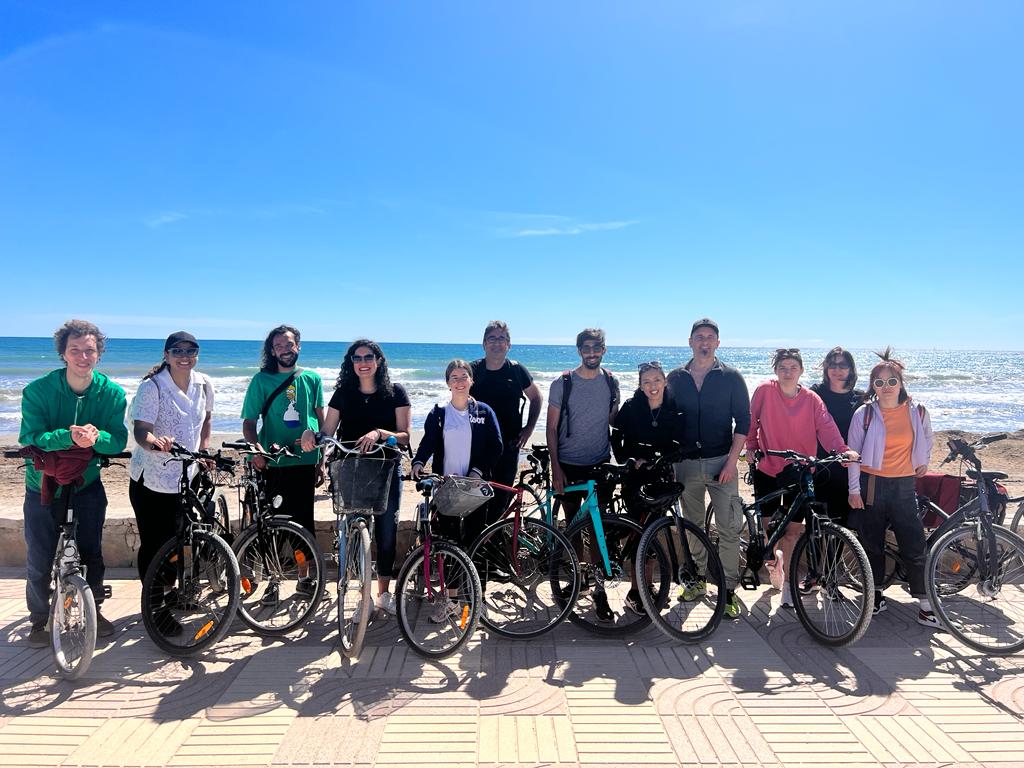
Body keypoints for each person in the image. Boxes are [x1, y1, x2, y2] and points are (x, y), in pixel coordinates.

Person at [19, 320, 128, 646]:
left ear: (99, 354)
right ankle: (39, 620)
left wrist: (97, 438)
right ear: (63, 354)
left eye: (90, 350)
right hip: (42, 485)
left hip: (86, 483)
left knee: (92, 553)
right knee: (39, 558)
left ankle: (95, 608)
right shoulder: (37, 391)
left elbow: (118, 439)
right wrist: (68, 436)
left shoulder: (112, 393)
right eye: (75, 350)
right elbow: (30, 438)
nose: (83, 356)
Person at [300, 339, 410, 618]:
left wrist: (379, 433)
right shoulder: (343, 393)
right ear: (351, 363)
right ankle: (364, 597)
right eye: (357, 358)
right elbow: (327, 431)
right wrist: (312, 435)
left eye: (368, 356)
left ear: (379, 360)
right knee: (356, 534)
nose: (363, 362)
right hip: (351, 470)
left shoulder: (396, 392)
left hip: (386, 469)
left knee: (386, 533)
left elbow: (405, 436)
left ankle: (383, 593)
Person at [745, 348, 854, 609]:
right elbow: (752, 421)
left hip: (801, 471)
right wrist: (750, 446)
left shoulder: (812, 399)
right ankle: (774, 563)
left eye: (793, 367)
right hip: (768, 466)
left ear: (801, 371)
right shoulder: (764, 391)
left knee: (793, 532)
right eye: (783, 367)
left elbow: (826, 428)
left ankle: (787, 589)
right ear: (775, 370)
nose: (788, 372)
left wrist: (842, 451)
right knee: (769, 530)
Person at [847, 348, 938, 627]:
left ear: (900, 382)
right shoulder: (865, 414)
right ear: (872, 385)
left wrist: (922, 461)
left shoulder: (918, 411)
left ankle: (924, 604)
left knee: (914, 543)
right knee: (871, 544)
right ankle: (876, 597)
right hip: (871, 483)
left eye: (891, 381)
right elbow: (852, 454)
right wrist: (854, 490)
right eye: (879, 382)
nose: (885, 387)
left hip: (903, 485)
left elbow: (928, 439)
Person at [666, 318, 750, 620]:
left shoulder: (732, 377)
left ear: (718, 342)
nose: (704, 342)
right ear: (690, 341)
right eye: (699, 337)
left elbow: (744, 422)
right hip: (686, 465)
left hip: (721, 464)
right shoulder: (675, 377)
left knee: (729, 528)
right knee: (692, 526)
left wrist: (731, 462)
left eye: (710, 337)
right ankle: (698, 581)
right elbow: (665, 419)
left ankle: (728, 591)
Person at [410, 359, 502, 622]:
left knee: (475, 544)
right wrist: (418, 461)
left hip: (474, 488)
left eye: (464, 376)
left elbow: (495, 447)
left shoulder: (483, 411)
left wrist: (477, 472)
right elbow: (428, 441)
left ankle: (477, 601)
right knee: (448, 544)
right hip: (447, 489)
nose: (459, 381)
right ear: (448, 382)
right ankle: (450, 601)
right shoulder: (439, 413)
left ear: (471, 380)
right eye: (454, 377)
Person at [129, 332, 215, 588]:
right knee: (155, 544)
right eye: (178, 351)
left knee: (180, 538)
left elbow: (206, 420)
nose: (184, 357)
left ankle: (173, 592)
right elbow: (141, 430)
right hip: (152, 480)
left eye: (191, 351)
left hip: (187, 476)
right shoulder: (152, 386)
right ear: (166, 356)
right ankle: (156, 606)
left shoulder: (204, 384)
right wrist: (155, 443)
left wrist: (203, 450)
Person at [546, 328, 621, 621]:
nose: (591, 352)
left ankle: (599, 590)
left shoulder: (612, 381)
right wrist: (556, 469)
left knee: (597, 530)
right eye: (586, 348)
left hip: (600, 464)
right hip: (570, 465)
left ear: (603, 349)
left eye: (597, 347)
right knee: (574, 529)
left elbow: (614, 420)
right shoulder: (562, 383)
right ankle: (579, 580)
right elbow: (551, 428)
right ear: (579, 350)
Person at [610, 359, 685, 615]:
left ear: (664, 381)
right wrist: (631, 459)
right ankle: (634, 590)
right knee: (637, 533)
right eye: (646, 382)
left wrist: (666, 457)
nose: (652, 386)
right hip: (636, 478)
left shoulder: (673, 408)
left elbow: (679, 443)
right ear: (640, 386)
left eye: (656, 380)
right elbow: (616, 437)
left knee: (653, 534)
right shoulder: (632, 407)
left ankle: (646, 586)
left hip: (661, 478)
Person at [241, 325, 324, 536]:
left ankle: (304, 570)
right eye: (278, 345)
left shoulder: (312, 378)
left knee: (303, 524)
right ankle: (276, 568)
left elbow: (323, 423)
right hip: (271, 460)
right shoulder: (261, 380)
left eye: (289, 344)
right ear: (272, 351)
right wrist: (256, 451)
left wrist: (322, 461)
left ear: (298, 346)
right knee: (273, 524)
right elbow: (249, 423)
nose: (285, 349)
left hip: (305, 460)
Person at [470, 320, 543, 512]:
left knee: (501, 502)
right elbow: (457, 401)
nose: (497, 343)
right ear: (484, 344)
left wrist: (529, 428)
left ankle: (493, 539)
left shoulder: (516, 370)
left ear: (508, 344)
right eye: (491, 338)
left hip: (509, 447)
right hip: (477, 448)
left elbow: (536, 397)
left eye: (501, 338)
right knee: (475, 504)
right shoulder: (473, 371)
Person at [809, 347, 865, 527]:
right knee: (816, 525)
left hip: (848, 467)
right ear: (826, 368)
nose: (837, 369)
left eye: (843, 365)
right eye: (832, 364)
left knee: (842, 525)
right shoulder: (815, 393)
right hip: (820, 465)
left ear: (851, 369)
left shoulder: (861, 398)